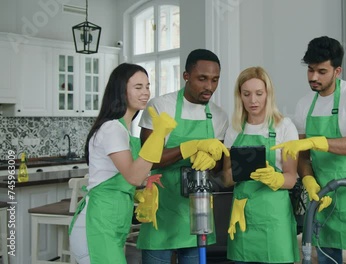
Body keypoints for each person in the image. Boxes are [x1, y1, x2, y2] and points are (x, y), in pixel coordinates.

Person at [272, 36, 346, 264]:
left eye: (321, 71)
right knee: (326, 258)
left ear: (337, 71)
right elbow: (302, 155)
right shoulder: (304, 104)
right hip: (322, 195)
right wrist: (308, 180)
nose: (313, 77)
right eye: (310, 70)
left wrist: (316, 142)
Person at [69, 63, 177, 264]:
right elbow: (132, 176)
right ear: (121, 90)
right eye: (138, 87)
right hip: (97, 226)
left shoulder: (123, 130)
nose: (145, 92)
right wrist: (158, 135)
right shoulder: (112, 129)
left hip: (111, 225)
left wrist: (145, 182)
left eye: (147, 86)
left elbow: (123, 177)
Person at [137, 49, 229, 264]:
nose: (209, 87)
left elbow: (217, 169)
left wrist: (212, 160)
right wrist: (189, 147)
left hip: (198, 212)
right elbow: (149, 159)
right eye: (202, 79)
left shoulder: (219, 116)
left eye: (215, 80)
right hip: (161, 208)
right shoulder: (160, 106)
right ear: (186, 76)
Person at [221, 66, 300, 263]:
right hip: (243, 216)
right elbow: (226, 179)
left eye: (259, 93)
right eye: (246, 94)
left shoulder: (284, 127)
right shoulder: (234, 130)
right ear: (240, 96)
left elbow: (291, 179)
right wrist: (241, 170)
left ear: (268, 94)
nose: (253, 100)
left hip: (274, 220)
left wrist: (275, 178)